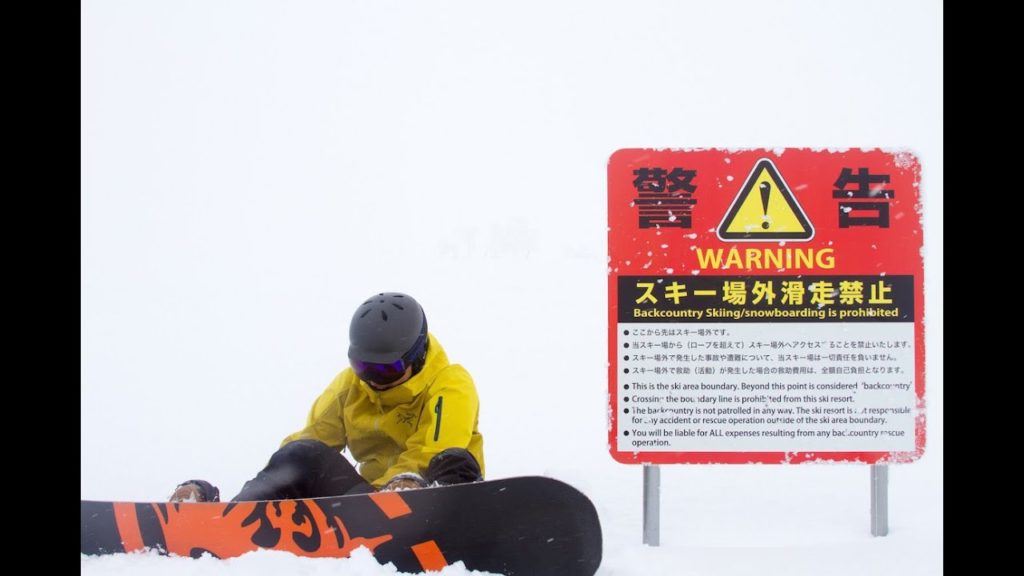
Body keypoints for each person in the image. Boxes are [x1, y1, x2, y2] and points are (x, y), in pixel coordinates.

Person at [171, 292, 485, 502]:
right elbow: (308, 443)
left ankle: (446, 526)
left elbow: (434, 448)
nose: (373, 380)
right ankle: (230, 515)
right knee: (301, 453)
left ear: (417, 357)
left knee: (453, 462)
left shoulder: (451, 383)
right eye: (364, 368)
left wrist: (401, 486)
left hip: (427, 501)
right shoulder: (351, 386)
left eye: (386, 370)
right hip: (367, 505)